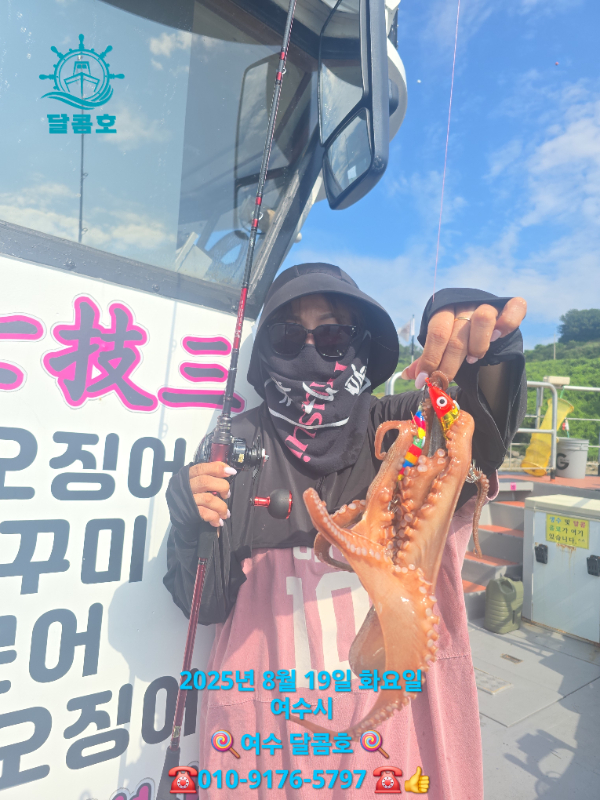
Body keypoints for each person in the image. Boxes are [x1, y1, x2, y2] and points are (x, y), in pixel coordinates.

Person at [164, 263, 527, 799]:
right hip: (263, 730)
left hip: (389, 728)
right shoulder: (237, 446)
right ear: (267, 351)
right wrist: (187, 517)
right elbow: (206, 601)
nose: (313, 351)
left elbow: (476, 425)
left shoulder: (401, 424)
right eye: (289, 335)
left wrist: (485, 348)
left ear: (360, 345)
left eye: (334, 334)